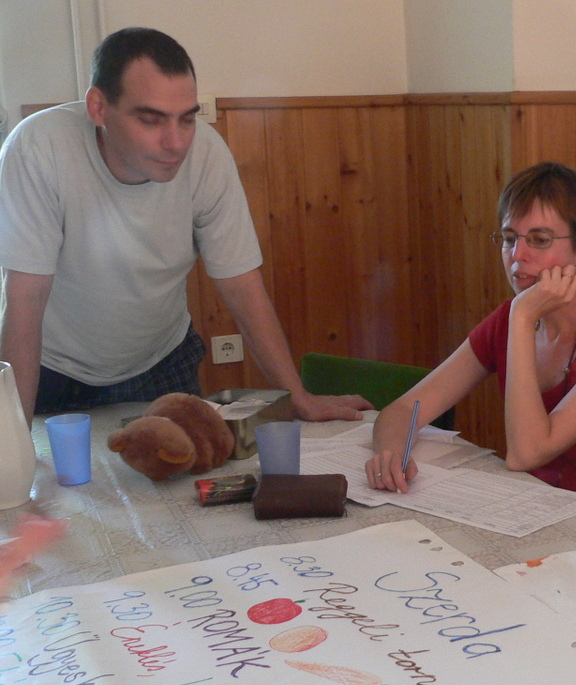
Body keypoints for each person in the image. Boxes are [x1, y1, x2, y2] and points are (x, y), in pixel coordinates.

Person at [0, 27, 370, 424]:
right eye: (151, 120)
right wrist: (12, 438)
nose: (176, 143)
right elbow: (25, 300)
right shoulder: (38, 147)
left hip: (161, 360)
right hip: (50, 367)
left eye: (188, 119)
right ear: (98, 108)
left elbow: (242, 286)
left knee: (185, 462)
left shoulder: (207, 154)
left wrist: (297, 396)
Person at [366, 161, 576, 542]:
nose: (517, 255)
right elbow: (404, 410)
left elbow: (526, 454)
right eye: (509, 238)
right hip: (541, 517)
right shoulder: (509, 318)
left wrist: (523, 316)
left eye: (540, 240)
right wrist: (389, 453)